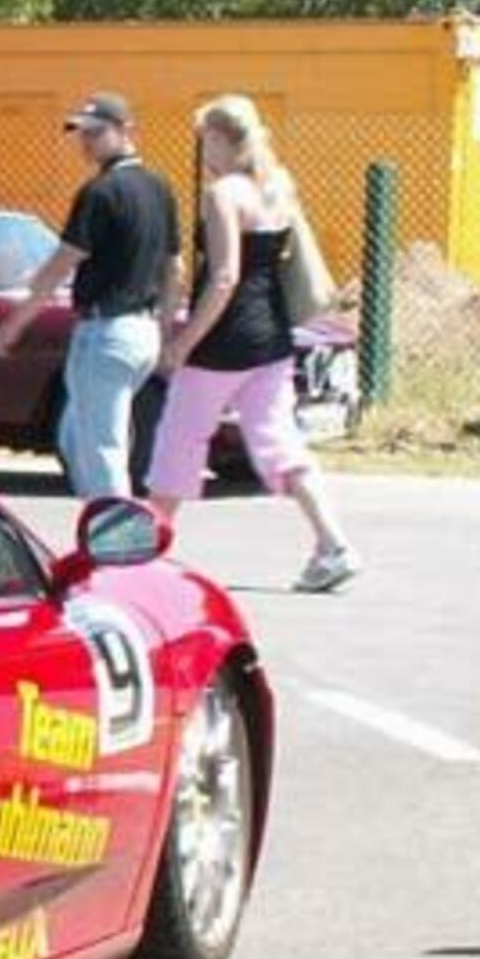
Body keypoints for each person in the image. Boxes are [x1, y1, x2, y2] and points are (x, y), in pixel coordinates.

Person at [151, 94, 362, 592]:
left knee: (178, 442)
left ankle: (145, 554)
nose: (204, 154)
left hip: (223, 341)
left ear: (223, 140)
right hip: (272, 336)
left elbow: (223, 276)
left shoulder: (224, 194)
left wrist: (184, 342)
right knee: (278, 443)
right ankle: (333, 544)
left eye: (206, 142)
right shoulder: (278, 185)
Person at [0, 91, 176, 499]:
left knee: (101, 449)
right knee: (74, 435)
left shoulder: (100, 192)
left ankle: (118, 540)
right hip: (139, 331)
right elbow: (172, 268)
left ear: (127, 131)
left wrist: (15, 323)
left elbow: (61, 264)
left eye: (96, 132)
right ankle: (100, 524)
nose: (86, 141)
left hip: (107, 331)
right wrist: (163, 332)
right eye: (82, 133)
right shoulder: (159, 187)